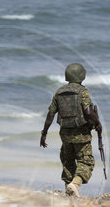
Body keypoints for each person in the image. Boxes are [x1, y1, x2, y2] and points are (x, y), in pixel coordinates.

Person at [40, 63, 102, 197]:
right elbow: (88, 111)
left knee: (67, 159)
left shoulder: (59, 92)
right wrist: (97, 122)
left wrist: (44, 133)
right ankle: (75, 184)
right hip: (81, 134)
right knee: (86, 161)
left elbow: (51, 114)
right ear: (81, 76)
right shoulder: (82, 91)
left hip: (65, 134)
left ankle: (69, 190)